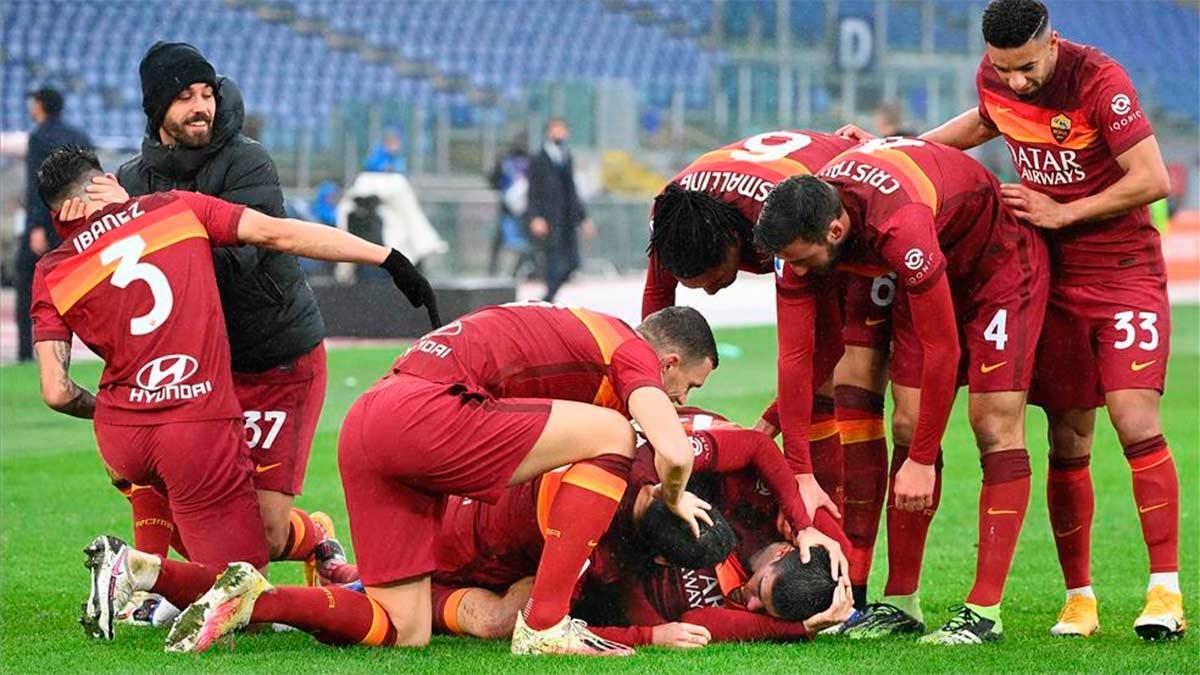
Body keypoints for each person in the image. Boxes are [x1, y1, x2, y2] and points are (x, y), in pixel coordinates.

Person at [841, 0, 1183, 642]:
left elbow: (1152, 177)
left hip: (1123, 270)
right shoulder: (996, 79)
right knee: (1067, 436)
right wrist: (899, 146)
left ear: (1052, 42)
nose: (1015, 81)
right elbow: (982, 122)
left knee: (1135, 419)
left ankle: (1164, 591)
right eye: (1003, 68)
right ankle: (1079, 599)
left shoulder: (1098, 83)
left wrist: (1063, 212)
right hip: (1049, 276)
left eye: (1026, 68)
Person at [28, 146, 435, 641]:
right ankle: (137, 573)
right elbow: (279, 233)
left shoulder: (52, 269)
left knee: (173, 497)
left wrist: (113, 406)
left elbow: (55, 390)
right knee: (242, 586)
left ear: (57, 213)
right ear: (106, 181)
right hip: (195, 427)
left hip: (121, 436)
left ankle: (160, 584)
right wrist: (386, 257)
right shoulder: (173, 208)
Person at [164, 304, 722, 656]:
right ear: (668, 363)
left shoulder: (577, 339)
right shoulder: (629, 352)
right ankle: (546, 626)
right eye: (689, 387)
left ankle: (255, 601)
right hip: (423, 416)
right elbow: (672, 450)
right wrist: (671, 498)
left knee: (405, 628)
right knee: (616, 435)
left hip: (370, 423)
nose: (682, 400)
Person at [755, 135, 1049, 644]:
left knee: (993, 423)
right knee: (906, 424)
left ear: (836, 228)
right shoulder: (803, 240)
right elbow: (797, 357)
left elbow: (945, 352)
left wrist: (922, 460)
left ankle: (984, 612)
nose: (794, 271)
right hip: (928, 278)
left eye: (800, 259)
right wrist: (799, 470)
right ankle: (902, 603)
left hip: (996, 269)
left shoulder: (899, 225)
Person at [111, 42, 356, 591]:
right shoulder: (131, 179)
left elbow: (236, 258)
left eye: (206, 94)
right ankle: (156, 588)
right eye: (184, 98)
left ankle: (314, 536)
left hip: (275, 360)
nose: (201, 107)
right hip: (201, 374)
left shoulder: (248, 161)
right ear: (157, 111)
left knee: (264, 539)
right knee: (197, 518)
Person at [642, 130, 893, 609]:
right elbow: (656, 317)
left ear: (737, 244)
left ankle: (852, 589)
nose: (710, 293)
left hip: (853, 233)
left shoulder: (776, 224)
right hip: (799, 195)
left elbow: (803, 352)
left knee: (842, 403)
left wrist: (794, 465)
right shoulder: (672, 212)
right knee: (811, 402)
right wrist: (644, 397)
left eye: (712, 279)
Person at [16, 87, 91, 362]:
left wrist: (36, 225)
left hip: (46, 221)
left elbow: (37, 184)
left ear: (41, 106)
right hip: (78, 223)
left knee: (29, 286)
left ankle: (26, 353)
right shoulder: (80, 136)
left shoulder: (39, 137)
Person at [527, 118, 593, 301]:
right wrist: (536, 216)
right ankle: (549, 295)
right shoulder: (538, 158)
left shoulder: (566, 156)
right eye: (556, 128)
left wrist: (583, 217)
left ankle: (549, 294)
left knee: (573, 261)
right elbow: (533, 191)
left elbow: (572, 189)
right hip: (548, 218)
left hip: (567, 217)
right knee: (552, 260)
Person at [488, 132, 533, 277]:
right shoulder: (506, 161)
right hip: (509, 209)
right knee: (502, 239)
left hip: (523, 210)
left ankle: (512, 272)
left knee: (523, 242)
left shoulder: (529, 161)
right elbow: (493, 179)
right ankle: (494, 272)